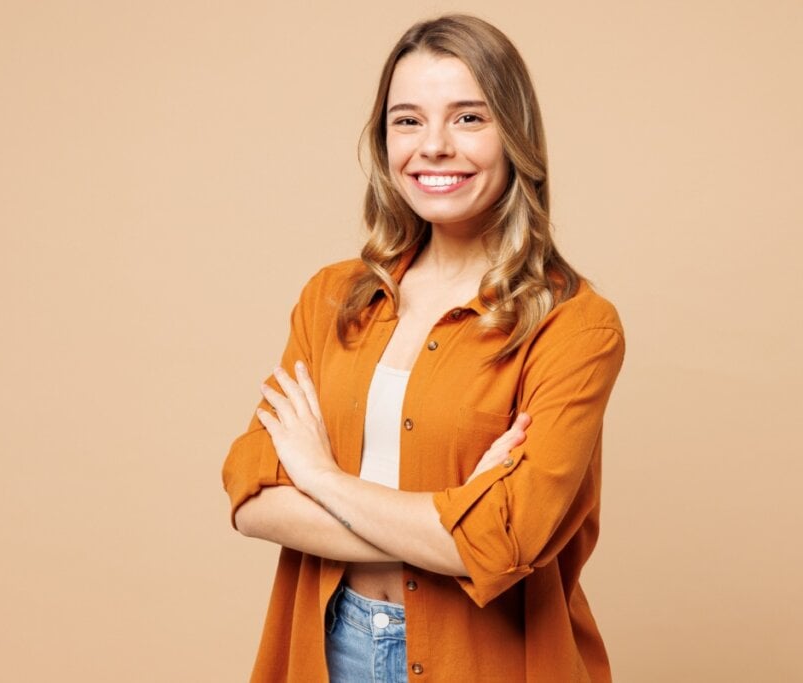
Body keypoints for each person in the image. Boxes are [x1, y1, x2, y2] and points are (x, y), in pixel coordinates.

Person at [222, 13, 626, 683]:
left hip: (488, 662)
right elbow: (252, 492)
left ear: (515, 135)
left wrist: (321, 478)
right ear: (384, 142)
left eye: (469, 118)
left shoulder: (576, 325)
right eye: (407, 121)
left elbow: (506, 539)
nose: (433, 146)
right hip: (332, 646)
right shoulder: (332, 299)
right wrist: (454, 521)